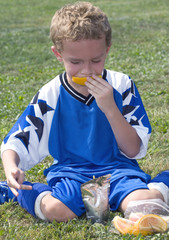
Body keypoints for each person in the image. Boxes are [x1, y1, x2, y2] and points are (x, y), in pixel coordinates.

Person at [0, 1, 169, 223]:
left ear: (107, 50)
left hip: (118, 170)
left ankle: (161, 183)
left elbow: (133, 148)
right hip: (70, 173)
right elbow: (18, 139)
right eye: (75, 61)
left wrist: (110, 107)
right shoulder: (51, 93)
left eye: (96, 60)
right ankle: (16, 191)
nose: (87, 70)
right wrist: (11, 166)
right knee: (57, 211)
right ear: (58, 54)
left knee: (146, 207)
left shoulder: (121, 85)